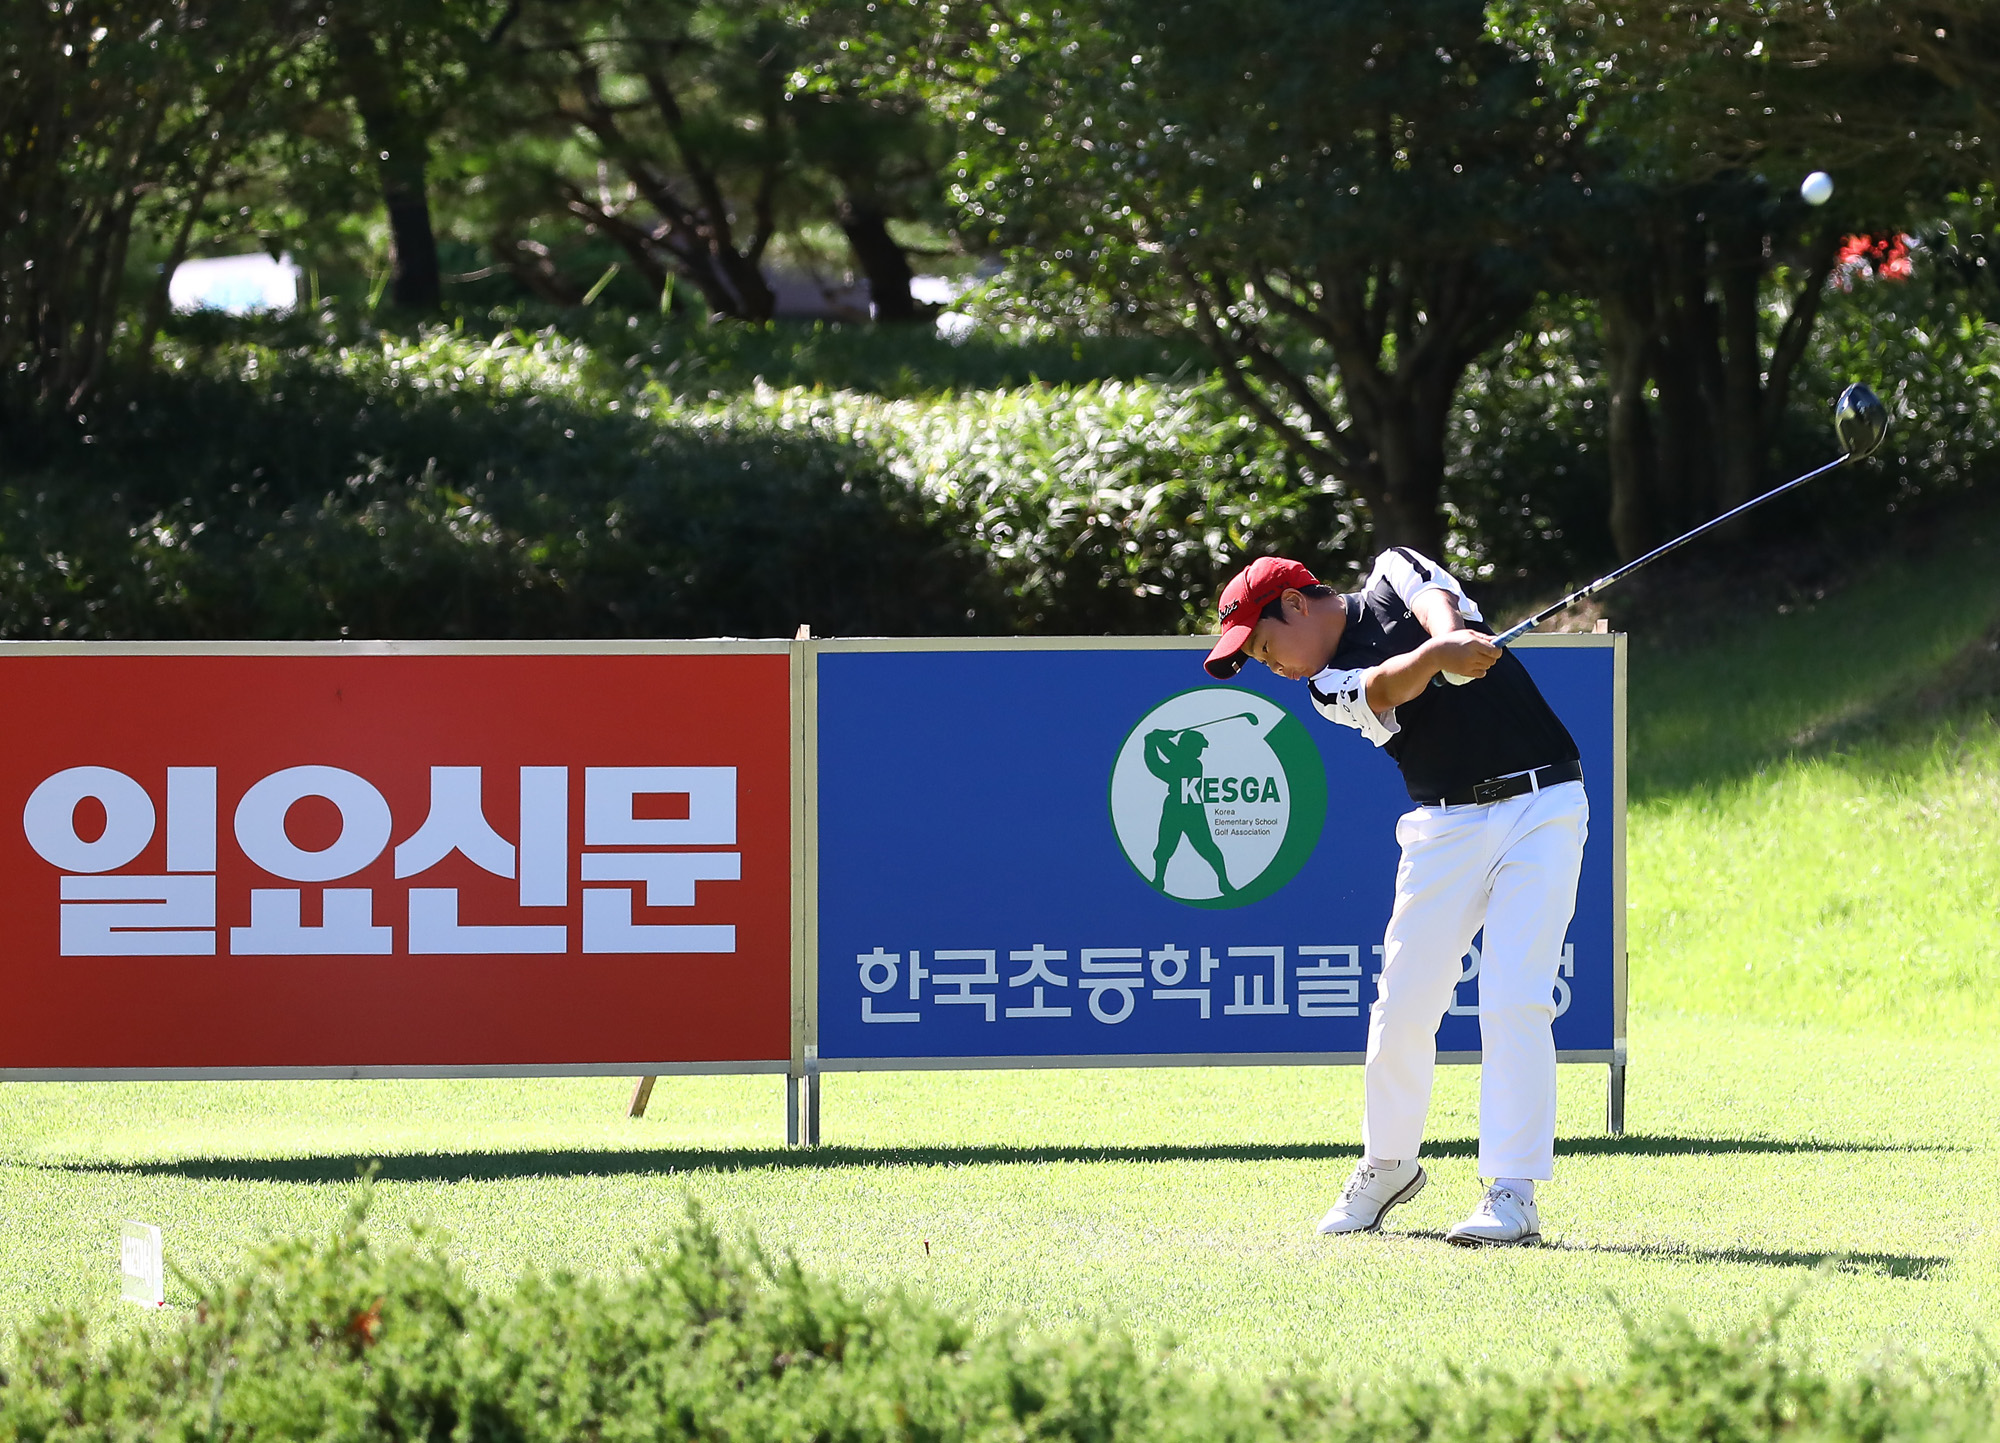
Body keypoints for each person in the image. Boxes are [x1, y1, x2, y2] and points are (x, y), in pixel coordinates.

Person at [1202, 548, 1587, 1246]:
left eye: (1264, 647)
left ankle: (1512, 1191)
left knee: (1513, 995)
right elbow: (1386, 685)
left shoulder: (1390, 570)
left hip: (1545, 802)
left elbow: (1430, 593)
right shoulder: (1325, 689)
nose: (1273, 667)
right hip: (1444, 825)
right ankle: (1388, 1163)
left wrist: (1448, 636)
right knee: (1405, 1000)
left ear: (1294, 605)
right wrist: (1440, 654)